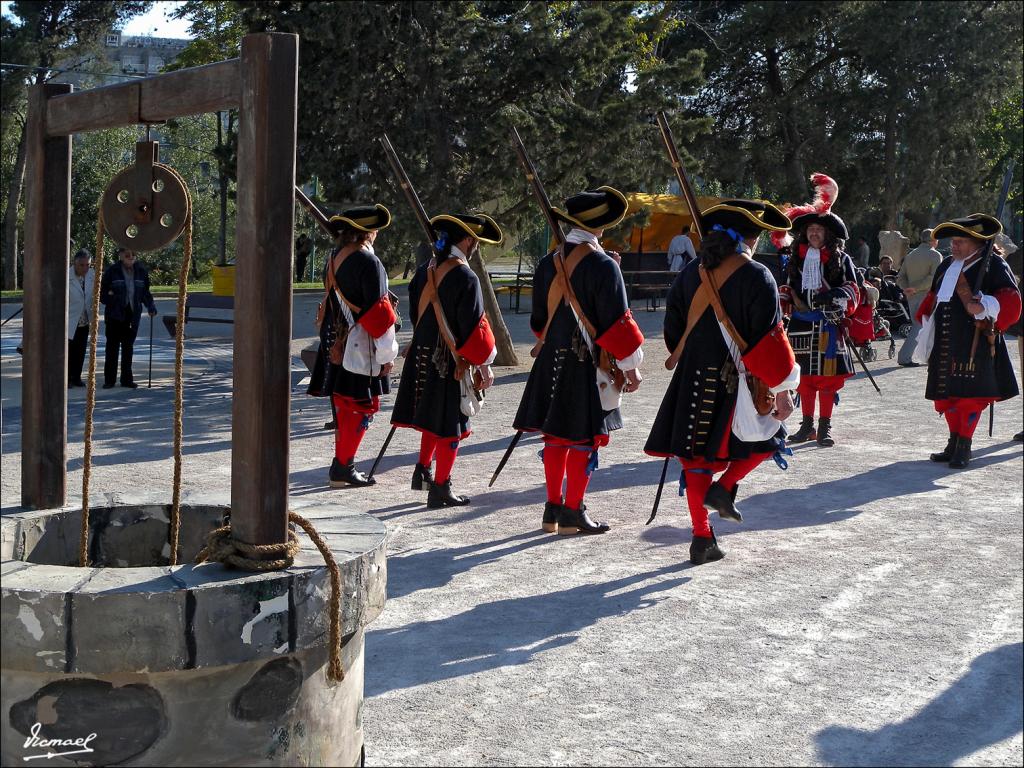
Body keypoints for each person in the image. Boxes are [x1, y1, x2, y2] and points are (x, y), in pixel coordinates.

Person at [646, 199, 798, 564]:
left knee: (695, 460)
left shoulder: (689, 274)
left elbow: (672, 333)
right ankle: (726, 486)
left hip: (693, 380)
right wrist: (782, 388)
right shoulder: (757, 274)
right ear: (752, 237)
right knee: (769, 441)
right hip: (740, 382)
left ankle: (702, 538)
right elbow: (770, 341)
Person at [513, 186, 644, 535]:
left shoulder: (547, 264)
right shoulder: (602, 264)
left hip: (552, 361)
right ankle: (573, 511)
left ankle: (552, 510)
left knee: (554, 437)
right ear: (600, 225)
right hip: (586, 364)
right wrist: (631, 367)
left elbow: (538, 323)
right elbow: (618, 324)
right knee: (583, 441)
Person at [391, 213, 501, 507]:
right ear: (466, 241)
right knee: (451, 424)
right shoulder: (465, 276)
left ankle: (423, 470)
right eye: (474, 241)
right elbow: (474, 329)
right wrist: (484, 365)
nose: (475, 245)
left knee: (432, 419)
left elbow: (417, 314)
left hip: (424, 353)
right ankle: (441, 487)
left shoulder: (424, 270)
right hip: (449, 359)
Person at [914, 214, 1020, 468]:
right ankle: (953, 442)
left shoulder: (993, 265)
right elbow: (935, 295)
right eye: (954, 241)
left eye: (961, 241)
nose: (954, 246)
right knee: (946, 395)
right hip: (946, 340)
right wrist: (926, 313)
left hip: (977, 341)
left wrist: (985, 305)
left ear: (977, 244)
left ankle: (965, 445)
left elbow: (1012, 300)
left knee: (970, 398)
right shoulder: (947, 265)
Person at [306, 205, 398, 487]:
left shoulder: (333, 258)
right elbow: (379, 315)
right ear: (369, 232)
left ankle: (342, 464)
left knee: (344, 407)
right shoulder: (370, 263)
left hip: (336, 340)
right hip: (361, 345)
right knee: (362, 408)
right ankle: (344, 466)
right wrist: (387, 354)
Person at [773, 173, 860, 447]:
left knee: (827, 380)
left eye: (818, 230)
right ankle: (807, 426)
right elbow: (787, 287)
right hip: (800, 324)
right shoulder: (795, 261)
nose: (813, 233)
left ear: (827, 234)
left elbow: (854, 289)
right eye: (809, 229)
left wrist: (835, 296)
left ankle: (825, 427)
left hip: (827, 326)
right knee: (805, 379)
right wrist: (782, 300)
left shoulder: (841, 259)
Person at [100, 247, 157, 389]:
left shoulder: (141, 272)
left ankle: (127, 379)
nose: (130, 257)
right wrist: (113, 300)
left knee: (128, 348)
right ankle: (109, 380)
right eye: (127, 254)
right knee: (112, 348)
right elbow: (102, 293)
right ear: (120, 255)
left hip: (132, 315)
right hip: (114, 315)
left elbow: (145, 292)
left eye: (133, 254)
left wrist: (150, 305)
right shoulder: (112, 271)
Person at [896, 228, 942, 366]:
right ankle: (904, 357)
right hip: (927, 295)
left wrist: (907, 289)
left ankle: (929, 356)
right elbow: (934, 278)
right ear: (933, 240)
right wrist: (914, 288)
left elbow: (900, 277)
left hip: (912, 296)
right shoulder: (935, 255)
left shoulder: (911, 255)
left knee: (922, 326)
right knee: (921, 326)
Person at [67, 249, 95, 388]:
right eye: (81, 265)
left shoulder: (92, 275)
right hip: (70, 320)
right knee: (68, 351)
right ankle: (66, 378)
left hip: (84, 320)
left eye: (87, 265)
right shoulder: (66, 276)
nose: (85, 268)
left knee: (80, 350)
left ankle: (76, 377)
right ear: (75, 263)